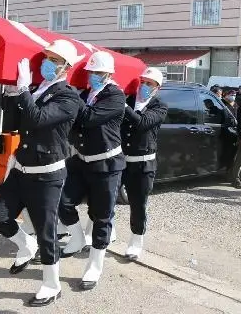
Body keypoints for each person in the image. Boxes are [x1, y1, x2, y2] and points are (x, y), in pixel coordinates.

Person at [0, 40, 84, 307]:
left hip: (47, 174)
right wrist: (11, 94)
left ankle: (51, 285)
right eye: (46, 58)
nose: (47, 64)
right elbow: (15, 124)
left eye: (54, 60)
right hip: (20, 169)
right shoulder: (35, 89)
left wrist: (22, 92)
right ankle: (25, 245)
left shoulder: (69, 97)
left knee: (46, 231)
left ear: (65, 67)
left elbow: (38, 119)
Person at [58, 51, 126, 291]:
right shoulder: (85, 94)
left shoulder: (116, 97)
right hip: (81, 161)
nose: (93, 77)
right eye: (90, 73)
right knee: (61, 200)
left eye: (97, 73)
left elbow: (87, 118)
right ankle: (76, 237)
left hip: (106, 164)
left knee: (101, 216)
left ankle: (94, 266)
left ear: (108, 74)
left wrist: (68, 92)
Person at [119, 68, 167, 260]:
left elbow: (142, 123)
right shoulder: (129, 100)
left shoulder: (159, 106)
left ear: (157, 88)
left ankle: (136, 241)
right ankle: (105, 233)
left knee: (138, 203)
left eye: (150, 84)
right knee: (105, 198)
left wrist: (124, 107)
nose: (145, 86)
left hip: (143, 164)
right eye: (143, 82)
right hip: (122, 160)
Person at [221, 89, 239, 174]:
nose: (233, 96)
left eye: (234, 95)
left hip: (235, 132)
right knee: (227, 153)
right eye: (231, 94)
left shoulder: (236, 105)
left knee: (233, 154)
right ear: (226, 95)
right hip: (226, 132)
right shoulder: (222, 104)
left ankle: (230, 171)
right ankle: (226, 171)